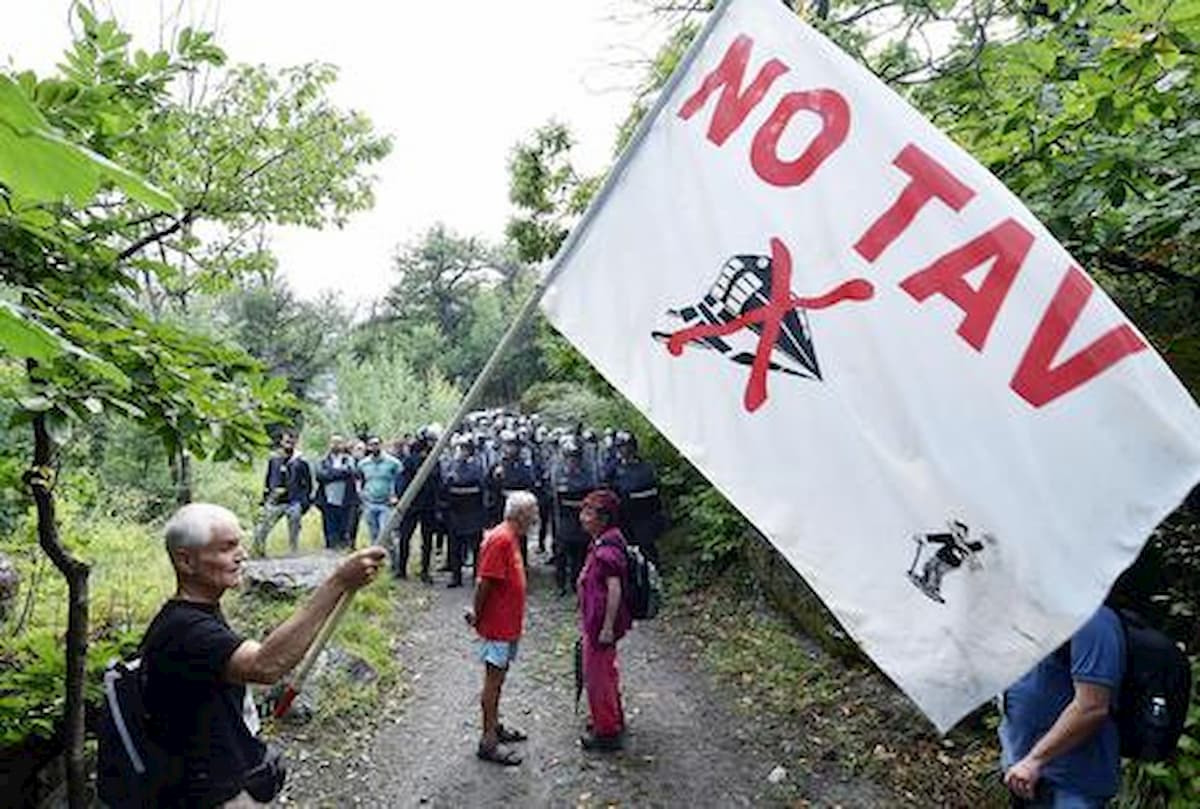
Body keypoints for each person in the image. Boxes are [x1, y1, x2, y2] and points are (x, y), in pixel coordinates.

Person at [142, 503, 384, 807]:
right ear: (186, 561)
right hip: (207, 795)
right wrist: (338, 582)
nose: (241, 554)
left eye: (239, 544)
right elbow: (266, 665)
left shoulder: (195, 614)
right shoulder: (184, 630)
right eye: (226, 548)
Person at [999, 605, 1126, 807]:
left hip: (1072, 784)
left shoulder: (1092, 621)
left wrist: (1034, 761)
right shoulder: (1034, 617)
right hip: (1025, 775)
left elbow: (1092, 706)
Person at [464, 491, 538, 766]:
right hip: (497, 625)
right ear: (519, 514)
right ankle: (488, 741)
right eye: (532, 511)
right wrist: (476, 613)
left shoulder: (512, 537)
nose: (536, 516)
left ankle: (495, 726)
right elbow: (485, 582)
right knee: (492, 682)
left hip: (508, 624)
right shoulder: (500, 539)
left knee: (500, 677)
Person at [577, 489, 633, 752]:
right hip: (596, 622)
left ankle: (606, 732)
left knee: (597, 677)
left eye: (589, 512)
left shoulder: (607, 550)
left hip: (601, 625)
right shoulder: (604, 541)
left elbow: (614, 589)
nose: (583, 517)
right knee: (606, 673)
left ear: (604, 518)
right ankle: (612, 718)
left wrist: (608, 627)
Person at [607, 431, 666, 569]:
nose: (625, 450)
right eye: (621, 447)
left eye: (628, 446)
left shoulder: (645, 467)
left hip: (646, 517)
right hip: (624, 519)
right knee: (627, 551)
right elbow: (608, 491)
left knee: (648, 548)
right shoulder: (613, 469)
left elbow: (655, 491)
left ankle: (653, 575)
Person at [394, 427, 443, 584]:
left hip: (428, 505)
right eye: (430, 440)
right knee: (405, 537)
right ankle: (401, 569)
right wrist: (402, 499)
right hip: (412, 504)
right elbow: (402, 480)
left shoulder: (435, 458)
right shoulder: (410, 459)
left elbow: (437, 479)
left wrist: (438, 504)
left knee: (427, 539)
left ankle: (425, 570)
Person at [252, 431, 312, 557]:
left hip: (293, 501)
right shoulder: (274, 459)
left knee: (294, 526)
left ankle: (293, 551)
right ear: (281, 442)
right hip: (275, 501)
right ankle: (259, 551)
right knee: (263, 526)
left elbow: (307, 484)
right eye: (286, 441)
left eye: (291, 441)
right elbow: (268, 479)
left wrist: (304, 502)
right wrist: (265, 498)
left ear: (295, 442)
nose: (289, 443)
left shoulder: (301, 462)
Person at [552, 436, 597, 596]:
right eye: (570, 457)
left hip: (581, 520)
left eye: (575, 457)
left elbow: (591, 494)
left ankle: (576, 585)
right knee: (561, 553)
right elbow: (556, 498)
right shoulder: (559, 474)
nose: (573, 461)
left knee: (579, 553)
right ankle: (560, 585)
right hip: (564, 520)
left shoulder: (587, 475)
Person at [443, 434, 488, 588]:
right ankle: (456, 577)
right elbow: (446, 485)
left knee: (476, 547)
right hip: (456, 511)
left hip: (473, 511)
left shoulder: (477, 466)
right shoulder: (452, 465)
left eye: (465, 449)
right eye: (460, 449)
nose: (462, 452)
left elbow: (480, 485)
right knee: (455, 546)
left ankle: (477, 575)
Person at [488, 430, 538, 564]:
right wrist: (495, 477)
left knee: (520, 536)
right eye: (508, 445)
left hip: (520, 504)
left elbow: (530, 483)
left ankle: (520, 563)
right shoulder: (498, 464)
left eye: (513, 445)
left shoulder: (524, 464)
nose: (510, 448)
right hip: (503, 503)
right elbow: (488, 485)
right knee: (503, 534)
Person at [357, 436, 404, 562]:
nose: (374, 447)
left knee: (386, 534)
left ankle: (395, 563)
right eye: (371, 444)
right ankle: (376, 564)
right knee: (373, 535)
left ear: (381, 445)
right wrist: (361, 494)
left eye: (377, 444)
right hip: (370, 503)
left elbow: (400, 480)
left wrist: (396, 496)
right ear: (368, 447)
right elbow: (359, 480)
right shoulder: (363, 464)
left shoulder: (393, 463)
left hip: (386, 504)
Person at [314, 435, 357, 551]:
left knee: (345, 526)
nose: (336, 445)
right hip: (327, 499)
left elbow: (350, 472)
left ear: (343, 445)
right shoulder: (323, 460)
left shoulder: (349, 459)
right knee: (329, 527)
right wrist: (340, 473)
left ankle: (343, 549)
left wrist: (331, 473)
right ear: (329, 444)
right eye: (334, 442)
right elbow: (320, 475)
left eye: (339, 442)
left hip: (346, 499)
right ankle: (331, 549)